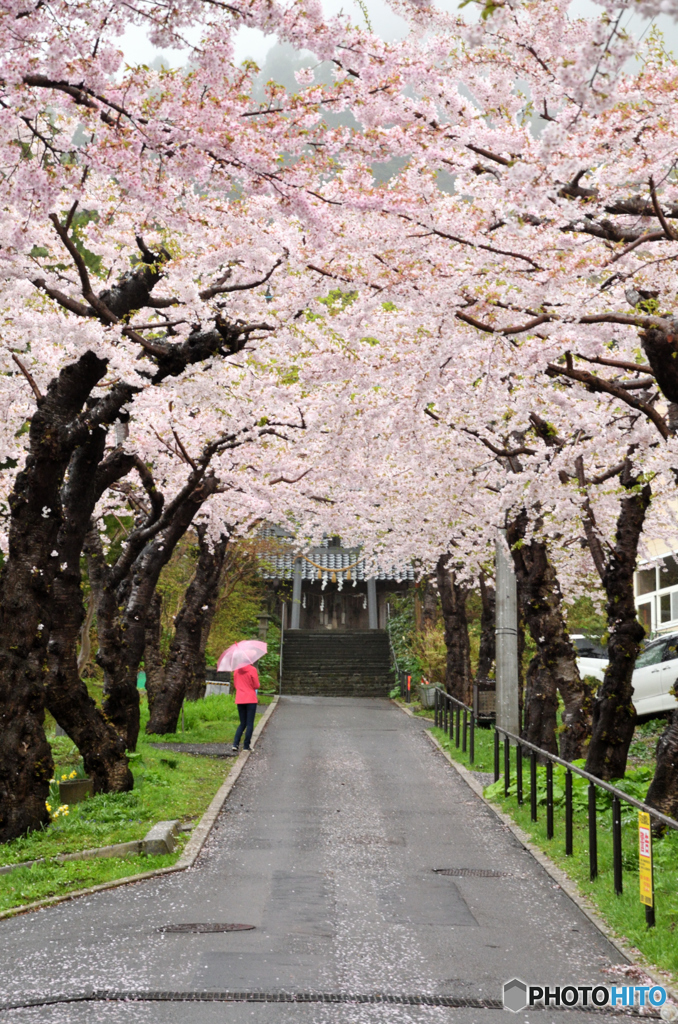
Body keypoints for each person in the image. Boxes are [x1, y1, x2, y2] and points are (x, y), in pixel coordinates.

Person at [232, 662, 260, 752]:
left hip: (240, 699)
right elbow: (256, 685)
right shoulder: (252, 670)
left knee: (242, 723)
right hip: (251, 698)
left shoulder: (236, 671)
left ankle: (235, 744)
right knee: (249, 723)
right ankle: (246, 746)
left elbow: (236, 685)